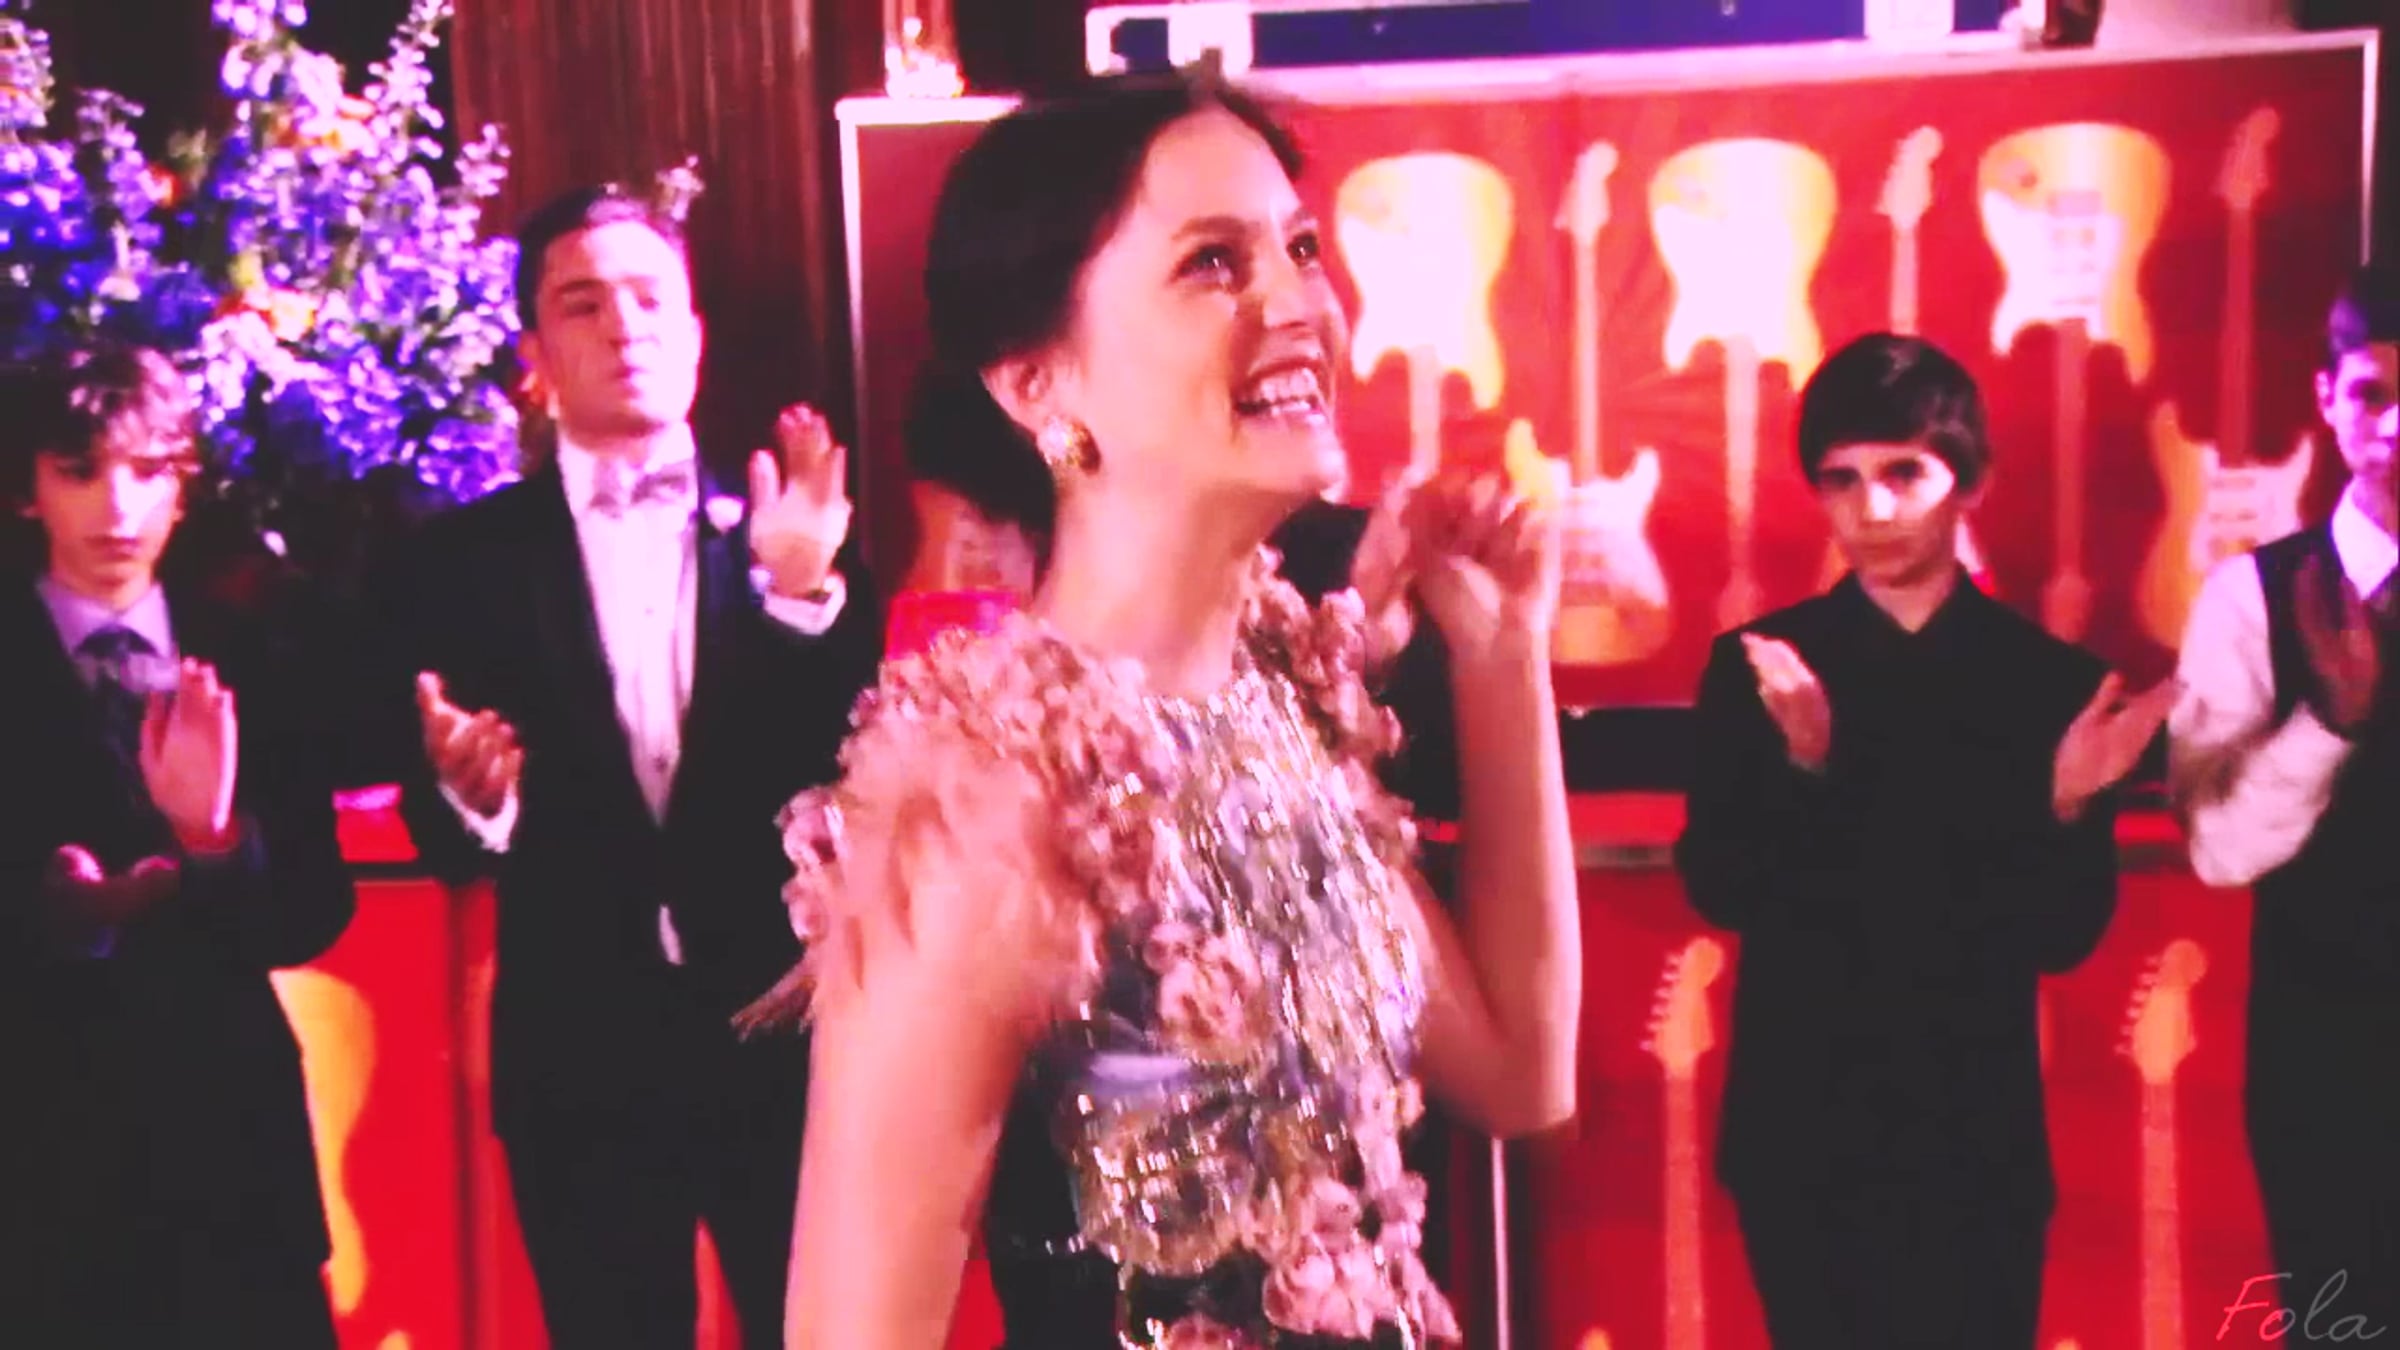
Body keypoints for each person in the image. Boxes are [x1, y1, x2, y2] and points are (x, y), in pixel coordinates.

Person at [744, 72, 1581, 1349]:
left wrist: (1507, 659)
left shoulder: (1282, 711)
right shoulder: (985, 802)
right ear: (1037, 382)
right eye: (1213, 264)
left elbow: (1520, 1073)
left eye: (1300, 249)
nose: (1299, 306)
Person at [359, 185, 884, 1348]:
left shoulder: (798, 530)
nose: (624, 327)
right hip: (581, 1059)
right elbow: (441, 833)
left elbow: (860, 770)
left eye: (650, 299)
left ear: (694, 332)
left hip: (783, 1041)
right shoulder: (460, 564)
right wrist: (474, 802)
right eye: (583, 304)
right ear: (535, 357)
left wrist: (802, 599)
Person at [1674, 332, 2169, 1349]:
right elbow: (1721, 886)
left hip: (1972, 1143)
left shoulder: (2049, 685)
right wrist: (1805, 764)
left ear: (1967, 482)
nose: (1875, 509)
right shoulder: (1759, 667)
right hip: (1802, 1138)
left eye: (1905, 473)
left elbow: (2062, 936)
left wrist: (2067, 806)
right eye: (1843, 480)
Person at [0, 342, 356, 1346]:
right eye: (81, 471)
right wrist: (55, 913)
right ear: (27, 489)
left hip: (231, 1156)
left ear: (183, 486)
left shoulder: (255, 656)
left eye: (148, 470)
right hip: (36, 1156)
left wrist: (214, 839)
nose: (118, 507)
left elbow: (314, 908)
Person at [2169, 264, 2397, 1339]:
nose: (2395, 426)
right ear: (2327, 399)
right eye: (2373, 394)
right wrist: (2329, 725)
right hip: (2330, 1059)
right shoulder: (2249, 598)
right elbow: (2219, 851)